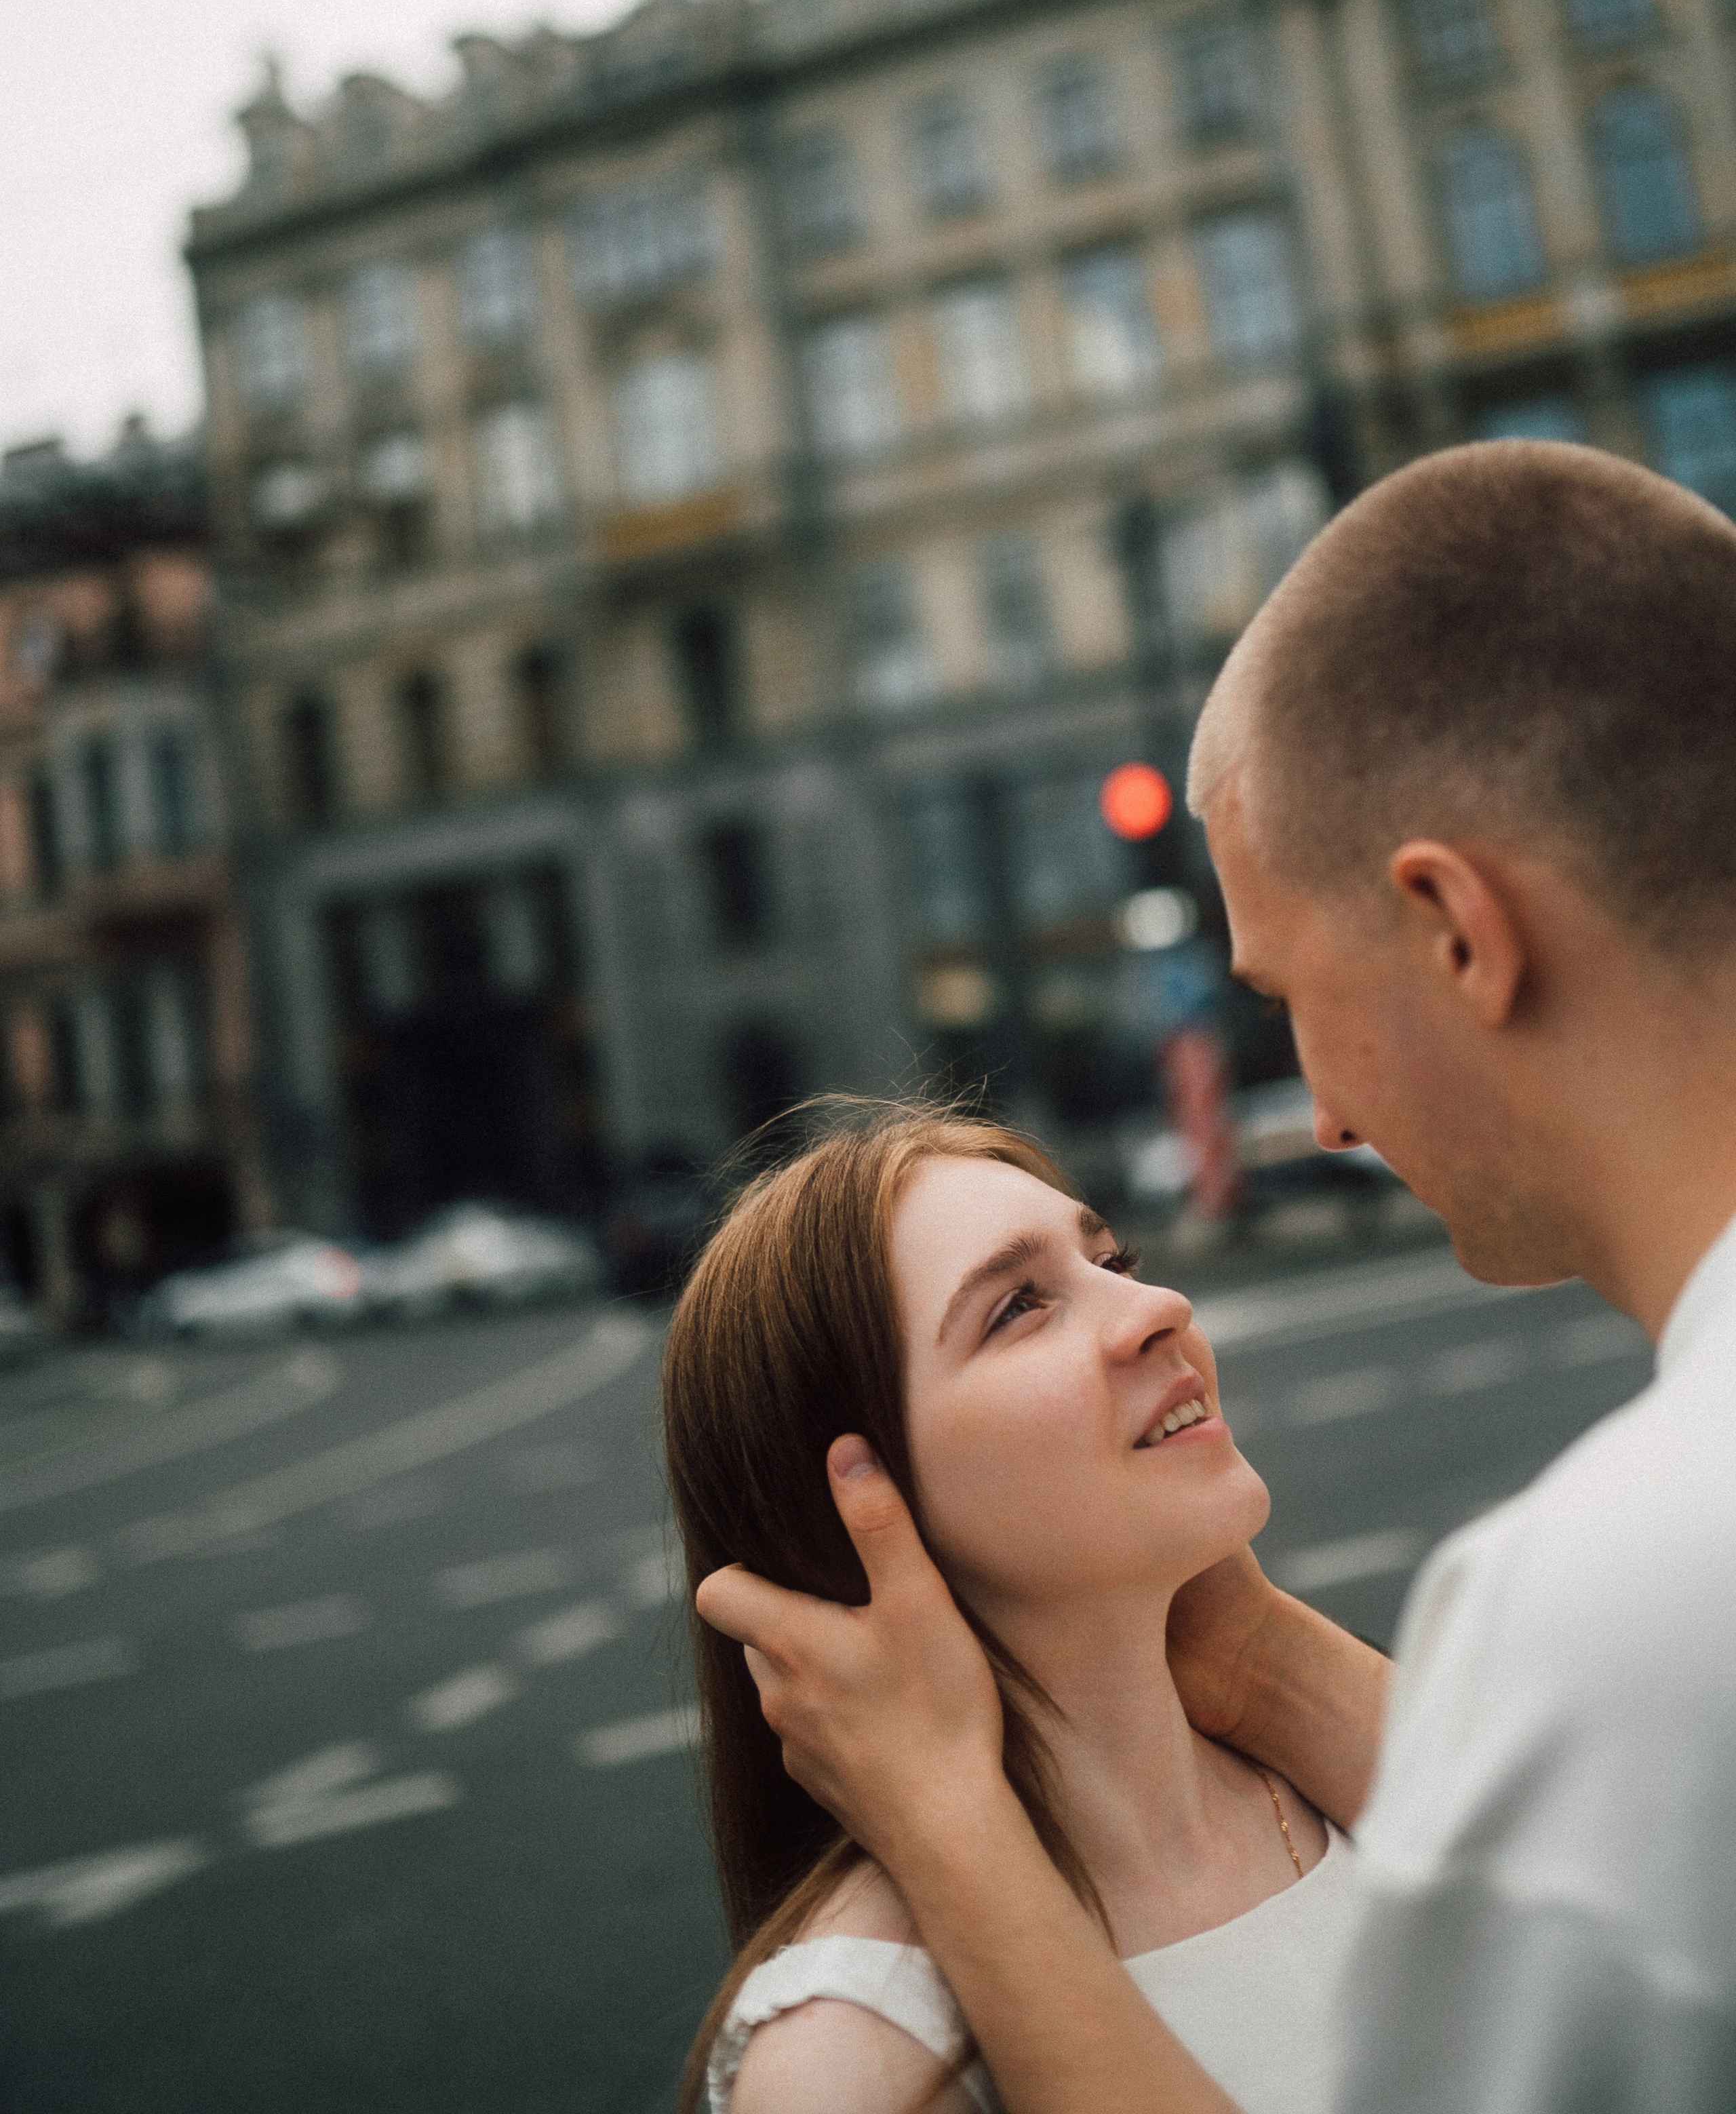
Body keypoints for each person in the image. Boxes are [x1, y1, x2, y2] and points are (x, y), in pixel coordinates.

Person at [698, 440, 1736, 2113]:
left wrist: (960, 1829)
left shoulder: (1613, 1604)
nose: (1314, 1109)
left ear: (1456, 930)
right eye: (1024, 1299)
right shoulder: (852, 2047)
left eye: (1288, 992)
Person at [665, 1103, 1377, 2114]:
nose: (1159, 1305)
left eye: (1115, 1264)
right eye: (1018, 1308)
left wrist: (1262, 1655)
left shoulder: (1347, 1766)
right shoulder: (860, 2055)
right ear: (854, 1505)